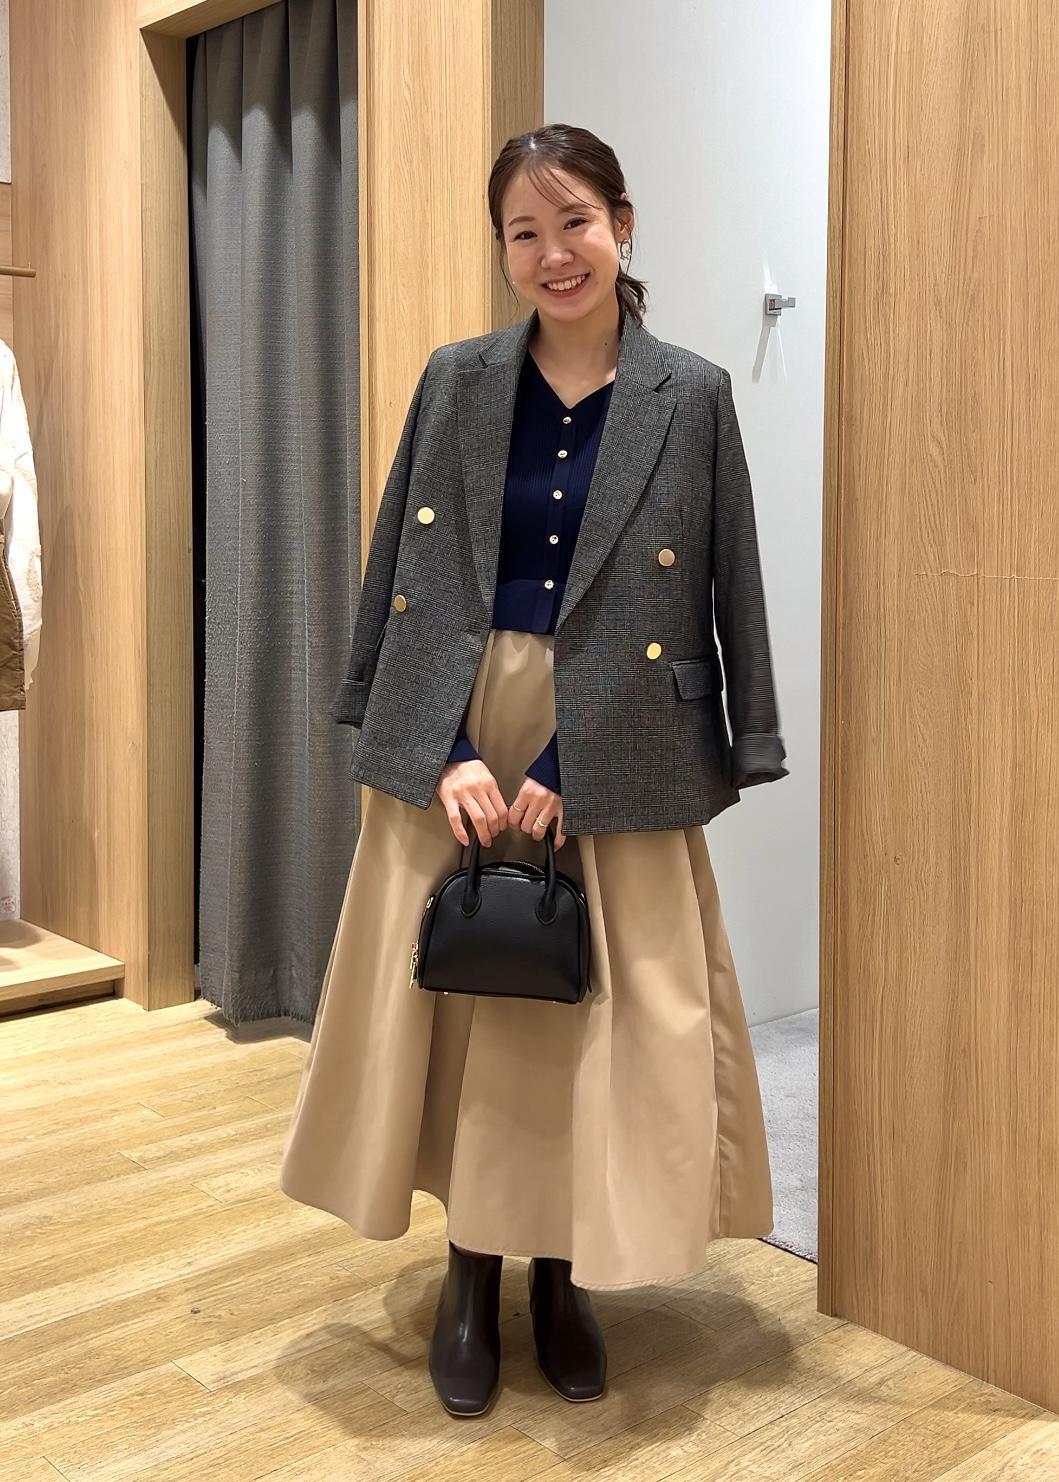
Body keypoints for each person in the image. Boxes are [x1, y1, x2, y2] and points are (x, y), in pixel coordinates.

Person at [280, 122, 788, 1420]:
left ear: (623, 225)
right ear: (503, 248)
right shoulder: (456, 380)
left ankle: (561, 1279)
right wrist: (434, 746)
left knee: (592, 1016)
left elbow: (727, 581)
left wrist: (601, 755)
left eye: (576, 222)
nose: (554, 253)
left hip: (616, 739)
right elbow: (405, 569)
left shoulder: (691, 396)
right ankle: (468, 1276)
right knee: (457, 1007)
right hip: (466, 723)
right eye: (525, 230)